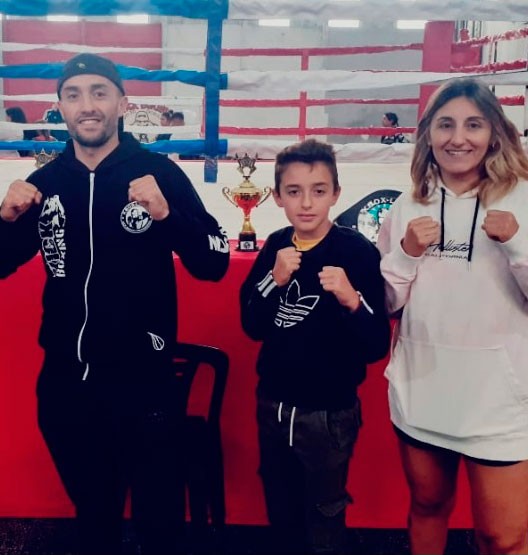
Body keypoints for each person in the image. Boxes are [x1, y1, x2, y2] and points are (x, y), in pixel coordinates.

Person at [0, 53, 230, 555]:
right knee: (95, 521)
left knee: (159, 526)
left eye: (99, 92)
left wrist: (168, 216)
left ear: (123, 104)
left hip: (144, 385)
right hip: (66, 387)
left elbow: (214, 260)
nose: (87, 105)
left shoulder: (159, 174)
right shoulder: (44, 186)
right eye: (74, 94)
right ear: (60, 107)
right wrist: (4, 218)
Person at [377, 77, 528, 555]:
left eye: (473, 125)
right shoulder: (407, 205)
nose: (458, 138)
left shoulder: (523, 198)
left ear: (495, 133)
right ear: (428, 134)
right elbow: (387, 304)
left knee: (503, 537)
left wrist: (517, 246)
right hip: (423, 388)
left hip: (500, 400)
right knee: (427, 507)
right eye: (445, 124)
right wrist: (406, 253)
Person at [240, 139, 390, 555]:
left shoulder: (356, 252)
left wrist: (352, 300)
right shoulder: (274, 247)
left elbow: (376, 344)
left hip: (330, 412)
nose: (306, 203)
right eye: (294, 191)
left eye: (318, 190)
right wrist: (273, 280)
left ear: (336, 194)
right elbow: (251, 325)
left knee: (325, 512)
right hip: (274, 404)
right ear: (277, 196)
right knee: (280, 504)